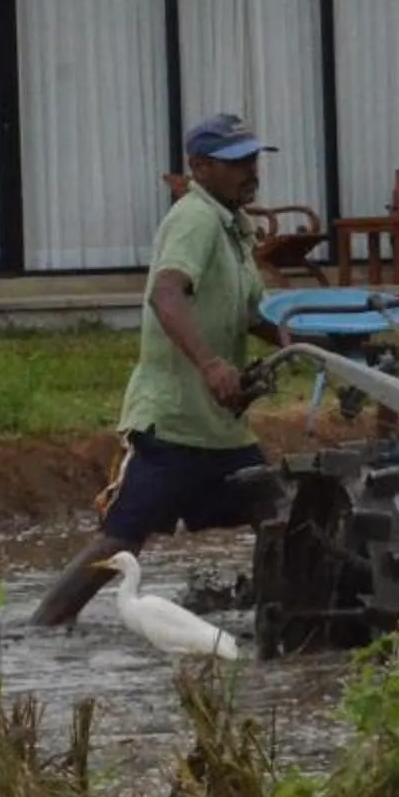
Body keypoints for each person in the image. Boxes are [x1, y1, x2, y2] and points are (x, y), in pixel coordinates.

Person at [31, 113, 290, 627]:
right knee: (122, 539)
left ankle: (280, 613)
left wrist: (307, 340)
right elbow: (166, 294)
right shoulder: (194, 219)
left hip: (218, 425)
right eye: (236, 163)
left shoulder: (233, 228)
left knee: (277, 516)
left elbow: (253, 315)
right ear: (200, 167)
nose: (250, 172)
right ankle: (39, 629)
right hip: (172, 422)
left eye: (253, 160)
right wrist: (212, 364)